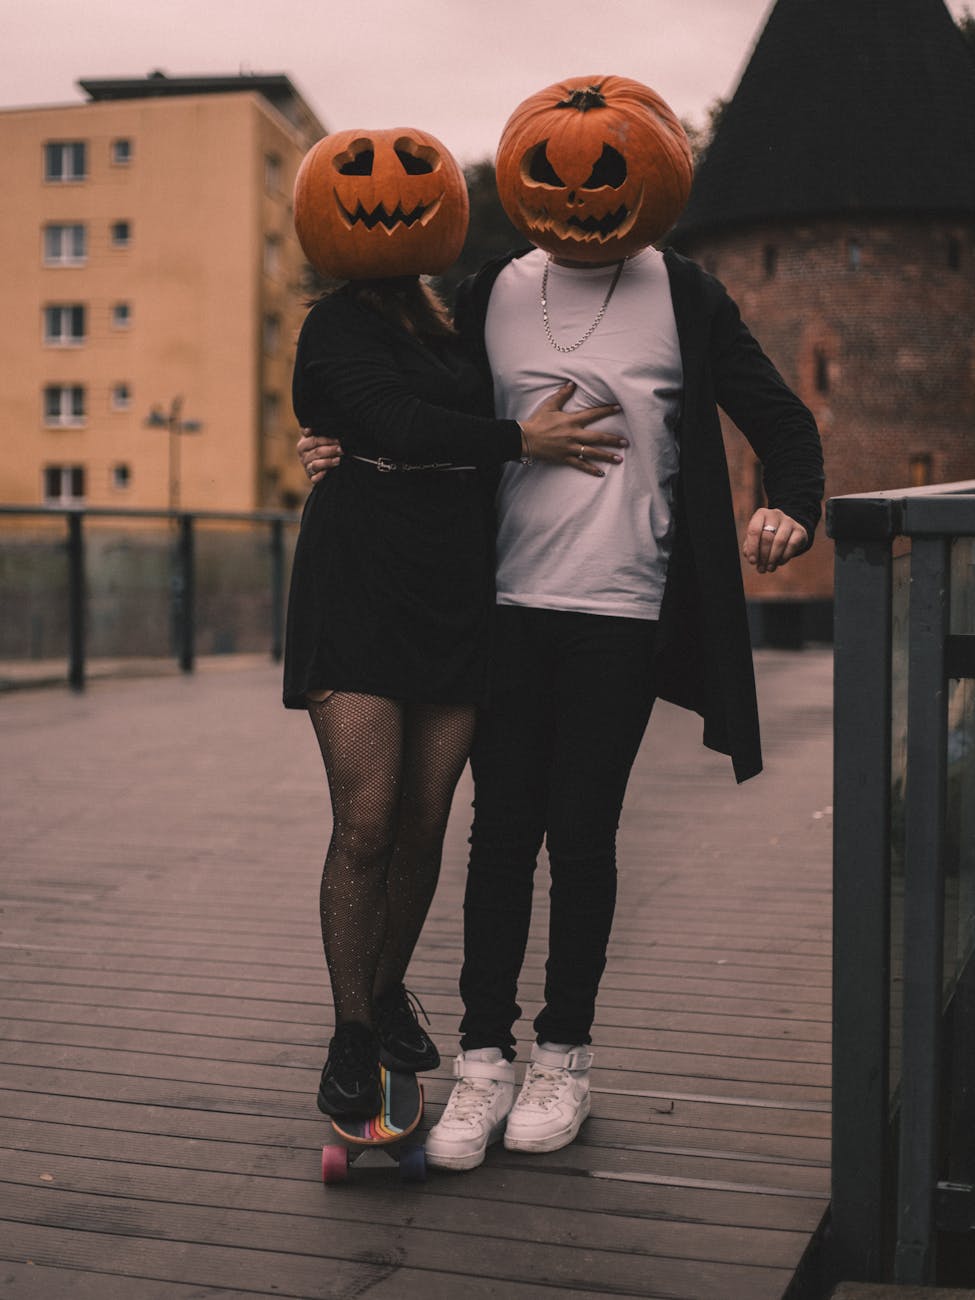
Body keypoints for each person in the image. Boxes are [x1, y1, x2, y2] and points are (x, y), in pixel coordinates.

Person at [297, 76, 824, 1165]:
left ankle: (563, 1055)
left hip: (619, 608)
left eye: (607, 170)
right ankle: (482, 1059)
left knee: (581, 837)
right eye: (553, 169)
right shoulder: (490, 288)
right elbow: (411, 397)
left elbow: (779, 416)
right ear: (521, 176)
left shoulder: (685, 293)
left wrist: (792, 504)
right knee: (496, 838)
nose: (580, 192)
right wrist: (335, 437)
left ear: (656, 172)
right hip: (494, 604)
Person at [284, 125, 623, 1119]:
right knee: (369, 818)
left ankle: (387, 991)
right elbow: (396, 422)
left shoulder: (458, 321)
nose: (385, 195)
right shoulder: (333, 328)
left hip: (456, 588)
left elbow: (498, 388)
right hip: (358, 582)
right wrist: (521, 439)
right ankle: (352, 1033)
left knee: (426, 821)